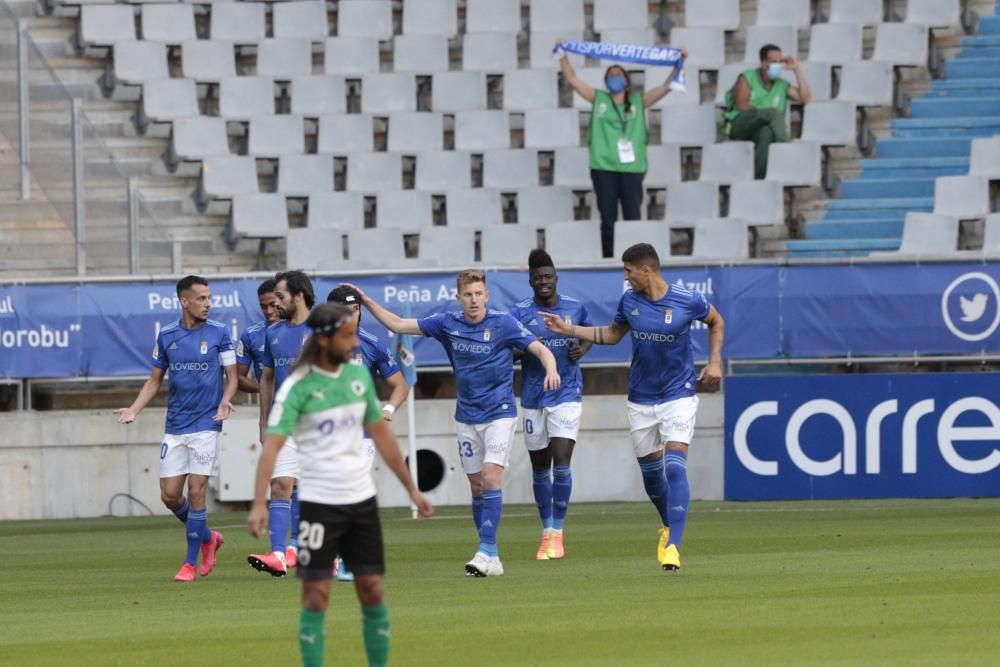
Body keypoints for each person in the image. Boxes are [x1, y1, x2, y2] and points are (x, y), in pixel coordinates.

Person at [247, 303, 433, 667]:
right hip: (319, 506)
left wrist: (412, 488)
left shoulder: (357, 378)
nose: (353, 344)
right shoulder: (297, 388)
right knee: (315, 596)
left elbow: (382, 437)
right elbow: (272, 448)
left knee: (373, 591)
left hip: (361, 503)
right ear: (324, 339)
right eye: (346, 336)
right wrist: (257, 503)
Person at [343, 270, 561, 577]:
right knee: (475, 486)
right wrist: (366, 300)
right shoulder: (447, 323)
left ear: (486, 295)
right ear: (458, 298)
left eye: (478, 294)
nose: (474, 300)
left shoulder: (503, 323)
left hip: (500, 412)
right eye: (467, 295)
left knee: (489, 477)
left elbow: (539, 348)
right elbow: (397, 324)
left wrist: (550, 367)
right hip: (466, 415)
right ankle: (492, 555)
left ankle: (484, 551)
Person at [540, 243, 724, 572]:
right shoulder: (630, 302)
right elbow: (611, 335)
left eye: (628, 271)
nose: (625, 277)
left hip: (679, 394)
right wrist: (568, 329)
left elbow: (716, 322)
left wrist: (714, 363)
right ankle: (668, 524)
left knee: (675, 467)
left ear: (646, 270)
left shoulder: (687, 300)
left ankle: (674, 547)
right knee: (653, 477)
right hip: (640, 397)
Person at [114, 275, 238, 582]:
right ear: (184, 301)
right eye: (202, 298)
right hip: (176, 426)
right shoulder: (167, 336)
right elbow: (155, 380)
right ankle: (209, 537)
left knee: (197, 490)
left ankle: (188, 563)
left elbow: (232, 377)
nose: (208, 304)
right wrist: (134, 409)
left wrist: (225, 400)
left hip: (208, 424)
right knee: (170, 497)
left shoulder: (220, 333)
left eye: (210, 298)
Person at [559, 46, 686, 258]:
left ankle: (635, 262)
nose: (615, 77)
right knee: (607, 220)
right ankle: (609, 260)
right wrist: (562, 55)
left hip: (632, 169)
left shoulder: (638, 101)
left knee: (632, 219)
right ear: (606, 82)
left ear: (626, 81)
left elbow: (667, 86)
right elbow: (572, 78)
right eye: (610, 75)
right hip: (603, 167)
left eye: (619, 74)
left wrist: (679, 61)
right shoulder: (598, 98)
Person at [510, 249, 593, 560]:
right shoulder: (518, 314)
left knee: (562, 461)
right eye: (538, 278)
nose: (543, 282)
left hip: (567, 394)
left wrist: (581, 349)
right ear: (531, 281)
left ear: (556, 278)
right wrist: (530, 350)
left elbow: (587, 335)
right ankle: (546, 531)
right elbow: (510, 350)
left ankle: (557, 533)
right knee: (540, 467)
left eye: (548, 277)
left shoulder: (575, 308)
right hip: (532, 397)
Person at [326, 285, 410, 582]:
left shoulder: (373, 344)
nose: (352, 316)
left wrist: (388, 410)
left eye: (356, 310)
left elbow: (400, 385)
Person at [248, 270, 315, 576]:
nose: (275, 302)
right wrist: (264, 421)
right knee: (281, 485)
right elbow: (267, 378)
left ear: (298, 296)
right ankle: (278, 554)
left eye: (281, 296)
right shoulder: (273, 334)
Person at [724, 43, 811, 179]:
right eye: (774, 62)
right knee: (773, 113)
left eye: (780, 62)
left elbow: (805, 99)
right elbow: (741, 105)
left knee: (766, 134)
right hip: (740, 126)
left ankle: (760, 180)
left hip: (760, 130)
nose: (778, 65)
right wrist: (769, 116)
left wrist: (797, 69)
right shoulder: (746, 77)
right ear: (764, 63)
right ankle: (787, 150)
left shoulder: (782, 84)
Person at [236, 279, 281, 395]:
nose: (268, 311)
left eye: (272, 304)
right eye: (263, 306)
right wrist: (265, 389)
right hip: (269, 408)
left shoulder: (301, 330)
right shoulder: (250, 334)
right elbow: (239, 378)